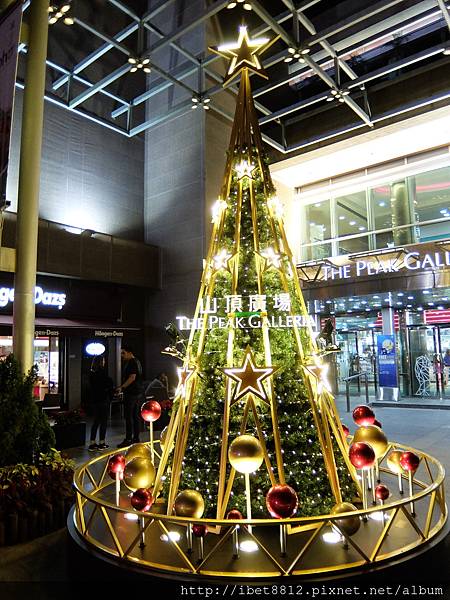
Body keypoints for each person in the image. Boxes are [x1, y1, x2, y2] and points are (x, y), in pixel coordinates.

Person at [116, 345, 144, 447]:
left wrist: (122, 387)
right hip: (137, 392)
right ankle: (136, 438)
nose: (122, 355)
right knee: (135, 416)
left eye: (123, 353)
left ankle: (128, 439)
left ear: (129, 352)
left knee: (129, 416)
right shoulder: (137, 361)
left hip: (131, 393)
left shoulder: (132, 362)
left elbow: (132, 377)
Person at [88, 356, 114, 451]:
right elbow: (108, 384)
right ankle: (102, 442)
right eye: (103, 361)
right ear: (101, 362)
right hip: (103, 399)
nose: (104, 362)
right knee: (103, 421)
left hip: (95, 400)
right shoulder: (103, 373)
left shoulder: (92, 374)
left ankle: (92, 442)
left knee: (96, 421)